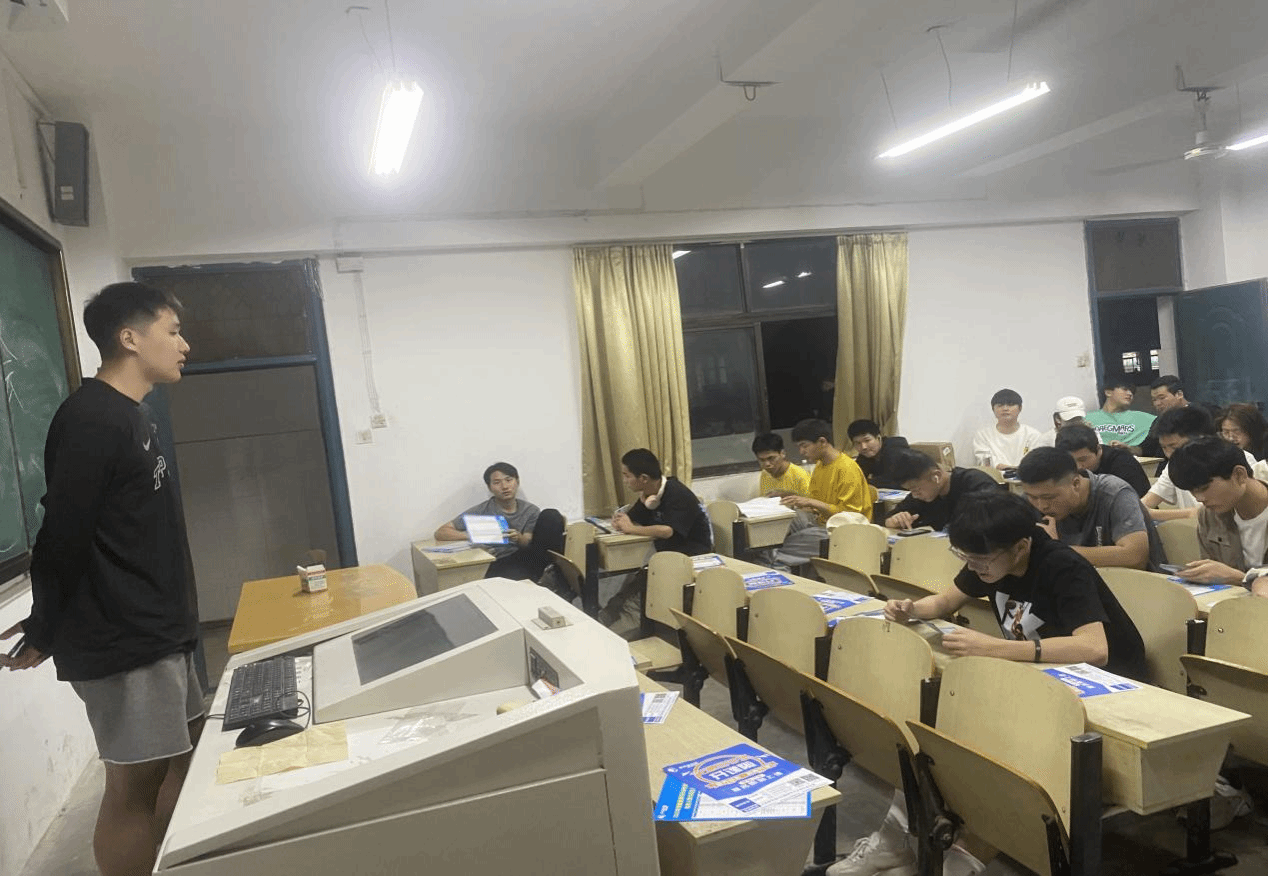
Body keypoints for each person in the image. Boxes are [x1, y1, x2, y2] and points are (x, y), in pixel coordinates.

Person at [0, 282, 201, 876]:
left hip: (160, 628)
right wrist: (44, 627)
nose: (184, 345)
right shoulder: (91, 420)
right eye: (172, 331)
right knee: (132, 788)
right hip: (123, 638)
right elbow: (62, 535)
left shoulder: (134, 414)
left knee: (180, 762)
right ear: (130, 338)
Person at [840, 491, 1146, 876]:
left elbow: (1094, 648)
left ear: (1020, 547)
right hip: (1041, 679)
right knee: (937, 738)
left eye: (980, 560)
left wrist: (996, 648)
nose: (973, 567)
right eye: (966, 557)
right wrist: (911, 609)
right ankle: (897, 840)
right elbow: (945, 602)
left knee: (988, 754)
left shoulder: (1062, 566)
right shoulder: (988, 556)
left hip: (1106, 689)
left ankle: (953, 860)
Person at [597, 448, 711, 636]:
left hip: (690, 559)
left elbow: (667, 531)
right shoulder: (650, 495)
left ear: (643, 478)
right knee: (624, 593)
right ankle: (601, 622)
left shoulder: (677, 494)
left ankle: (616, 636)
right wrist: (621, 520)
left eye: (627, 476)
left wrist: (630, 528)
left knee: (637, 599)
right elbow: (632, 518)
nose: (624, 481)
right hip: (664, 559)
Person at [1016, 447, 1166, 571]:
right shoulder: (1033, 498)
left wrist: (1058, 549)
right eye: (1032, 497)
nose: (1042, 505)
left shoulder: (1114, 493)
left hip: (1134, 587)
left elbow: (1135, 557)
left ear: (1075, 483)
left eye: (1049, 497)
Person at [1166, 437, 1268, 596]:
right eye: (1192, 491)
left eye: (1204, 488)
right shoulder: (1209, 516)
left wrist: (1240, 578)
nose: (1199, 498)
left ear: (1239, 475)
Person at [434, 462, 563, 581]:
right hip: (498, 561)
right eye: (497, 482)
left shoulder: (530, 510)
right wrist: (474, 534)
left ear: (517, 482)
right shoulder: (482, 510)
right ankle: (546, 578)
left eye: (509, 480)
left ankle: (552, 573)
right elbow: (441, 532)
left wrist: (518, 538)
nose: (504, 486)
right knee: (513, 572)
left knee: (550, 515)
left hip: (526, 555)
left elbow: (528, 543)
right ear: (490, 488)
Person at [771, 419, 874, 566]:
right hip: (821, 522)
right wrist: (791, 498)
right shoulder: (820, 466)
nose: (801, 452)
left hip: (843, 530)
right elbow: (815, 504)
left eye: (804, 446)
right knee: (782, 523)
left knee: (783, 548)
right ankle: (774, 554)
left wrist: (811, 502)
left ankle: (778, 561)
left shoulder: (846, 468)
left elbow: (850, 517)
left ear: (822, 442)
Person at [1141, 406, 1256, 522]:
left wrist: (1153, 514)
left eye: (1174, 447)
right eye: (1164, 448)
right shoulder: (1174, 465)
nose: (1169, 454)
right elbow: (1147, 502)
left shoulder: (1236, 458)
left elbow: (1210, 512)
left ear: (1200, 439)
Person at [883, 449, 1000, 531]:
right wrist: (893, 521)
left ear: (936, 476)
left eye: (916, 489)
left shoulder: (975, 484)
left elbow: (995, 520)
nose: (914, 495)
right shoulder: (923, 496)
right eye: (911, 490)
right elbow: (888, 517)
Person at [1054, 423, 1150, 497]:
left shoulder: (1123, 464)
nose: (1078, 467)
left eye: (1083, 459)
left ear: (1099, 450)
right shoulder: (1060, 466)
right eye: (1071, 460)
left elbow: (1138, 504)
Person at [970, 388, 1043, 470]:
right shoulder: (983, 435)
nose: (1005, 409)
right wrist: (1011, 469)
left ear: (1020, 408)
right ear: (993, 409)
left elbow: (1035, 463)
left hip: (1025, 477)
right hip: (993, 477)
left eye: (1010, 404)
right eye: (1000, 405)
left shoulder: (1032, 435)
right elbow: (985, 463)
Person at [1083, 375, 1155, 451]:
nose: (1130, 394)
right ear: (1108, 392)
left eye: (1132, 392)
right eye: (1125, 389)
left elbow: (1148, 450)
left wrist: (1127, 447)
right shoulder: (1088, 419)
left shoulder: (1143, 418)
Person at [1138, 375, 1193, 458]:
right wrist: (1127, 449)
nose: (1157, 403)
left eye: (1162, 398)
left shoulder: (1201, 414)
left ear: (1179, 394)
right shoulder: (1159, 420)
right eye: (1154, 400)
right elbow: (1147, 449)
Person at [846, 418, 910, 489]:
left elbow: (891, 480)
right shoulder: (866, 453)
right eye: (857, 443)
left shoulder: (895, 449)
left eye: (867, 440)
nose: (863, 447)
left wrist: (862, 482)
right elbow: (856, 476)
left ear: (878, 438)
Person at [751, 431, 811, 497]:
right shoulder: (765, 473)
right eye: (762, 460)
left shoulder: (800, 475)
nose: (767, 464)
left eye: (771, 458)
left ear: (782, 453)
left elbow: (811, 502)